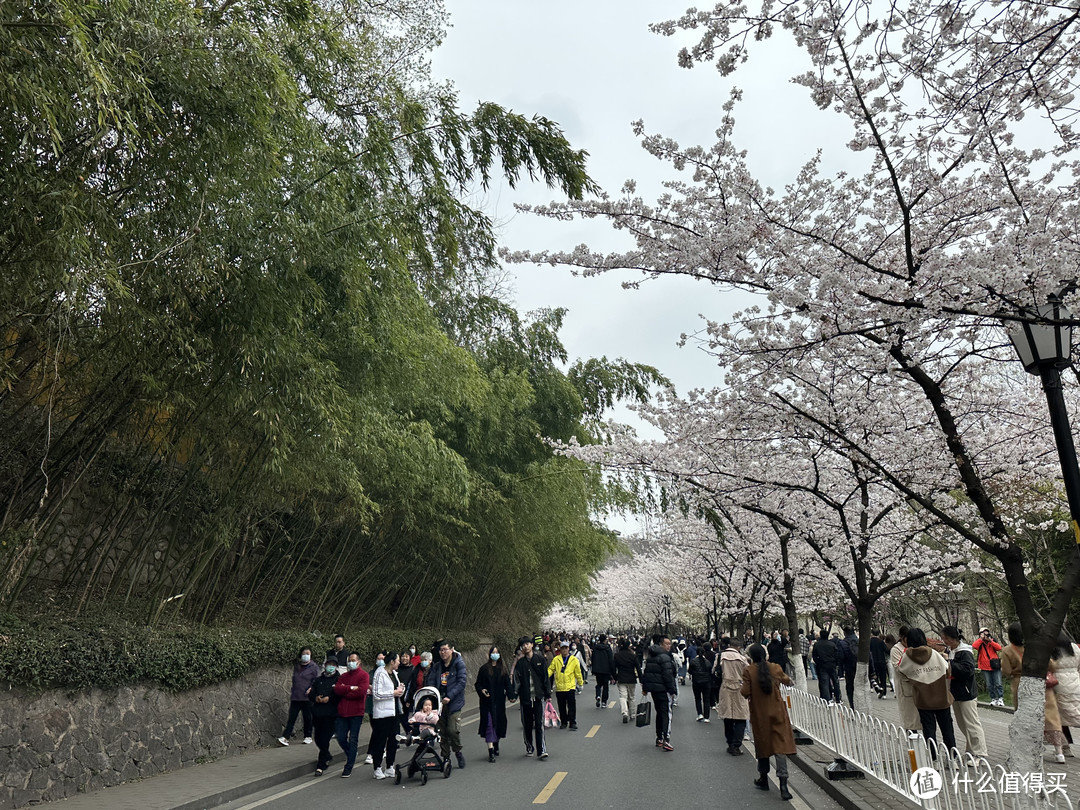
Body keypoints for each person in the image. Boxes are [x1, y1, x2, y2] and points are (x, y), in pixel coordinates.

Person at [742, 644, 796, 801]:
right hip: (778, 713)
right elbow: (788, 681)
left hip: (760, 715)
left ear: (751, 656)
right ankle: (784, 785)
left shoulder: (749, 670)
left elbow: (745, 692)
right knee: (780, 748)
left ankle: (763, 779)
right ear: (765, 654)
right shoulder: (775, 667)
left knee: (763, 746)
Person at [896, 628, 955, 758]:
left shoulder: (907, 657)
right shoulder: (933, 653)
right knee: (947, 730)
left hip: (923, 700)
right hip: (941, 698)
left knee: (929, 731)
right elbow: (947, 671)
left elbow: (901, 672)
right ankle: (953, 758)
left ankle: (934, 759)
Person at [939, 627, 987, 758]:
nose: (944, 641)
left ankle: (979, 754)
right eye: (943, 638)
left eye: (945, 638)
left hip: (966, 693)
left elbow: (967, 671)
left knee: (972, 724)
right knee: (963, 724)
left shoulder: (964, 651)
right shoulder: (950, 650)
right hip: (955, 693)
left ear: (952, 638)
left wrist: (949, 661)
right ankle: (971, 750)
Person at [426, 639, 468, 769]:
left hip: (454, 702)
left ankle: (458, 752)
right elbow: (431, 681)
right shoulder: (437, 666)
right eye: (441, 650)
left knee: (452, 730)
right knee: (442, 732)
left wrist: (450, 696)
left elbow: (462, 682)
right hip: (439, 703)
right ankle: (446, 756)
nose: (443, 652)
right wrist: (433, 696)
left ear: (452, 649)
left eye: (445, 649)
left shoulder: (458, 663)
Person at [368, 651, 405, 779]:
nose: (399, 662)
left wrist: (400, 689)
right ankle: (377, 768)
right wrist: (393, 692)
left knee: (394, 741)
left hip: (394, 712)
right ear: (392, 661)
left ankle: (390, 766)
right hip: (382, 714)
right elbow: (377, 694)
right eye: (398, 660)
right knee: (380, 741)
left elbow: (396, 689)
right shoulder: (380, 673)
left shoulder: (394, 673)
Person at [512, 636, 550, 759]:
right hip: (526, 699)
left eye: (528, 643)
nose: (526, 646)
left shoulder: (540, 659)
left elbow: (545, 677)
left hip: (538, 697)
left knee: (539, 724)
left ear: (532, 645)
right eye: (523, 644)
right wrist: (514, 695)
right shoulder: (521, 663)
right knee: (527, 724)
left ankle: (542, 749)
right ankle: (529, 746)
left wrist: (547, 694)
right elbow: (517, 681)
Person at [332, 652, 369, 777]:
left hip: (356, 712)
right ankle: (352, 753)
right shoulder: (344, 676)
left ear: (359, 662)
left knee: (353, 739)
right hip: (343, 712)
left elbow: (361, 692)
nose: (350, 663)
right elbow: (337, 689)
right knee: (340, 737)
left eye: (353, 660)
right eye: (349, 660)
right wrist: (350, 688)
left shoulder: (364, 675)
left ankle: (349, 765)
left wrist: (345, 690)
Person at [475, 645, 513, 762]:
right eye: (493, 652)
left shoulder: (502, 669)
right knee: (489, 725)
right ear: (489, 654)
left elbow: (508, 685)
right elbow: (478, 684)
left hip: (499, 702)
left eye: (497, 652)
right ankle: (491, 751)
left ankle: (496, 744)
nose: (495, 654)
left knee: (498, 724)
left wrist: (511, 696)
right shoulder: (484, 669)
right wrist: (482, 690)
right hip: (487, 703)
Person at [641, 633, 677, 751]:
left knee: (659, 713)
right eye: (666, 643)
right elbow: (668, 675)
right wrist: (672, 690)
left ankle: (659, 738)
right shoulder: (665, 657)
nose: (669, 646)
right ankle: (666, 738)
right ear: (661, 644)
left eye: (669, 643)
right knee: (665, 713)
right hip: (663, 689)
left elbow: (647, 672)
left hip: (654, 690)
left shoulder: (651, 656)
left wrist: (645, 688)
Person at [279, 647, 319, 746]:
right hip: (296, 696)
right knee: (292, 718)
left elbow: (316, 681)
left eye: (308, 653)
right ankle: (285, 737)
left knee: (307, 717)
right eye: (304, 653)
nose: (306, 655)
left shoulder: (313, 667)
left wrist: (311, 689)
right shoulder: (297, 666)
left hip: (307, 697)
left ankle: (308, 736)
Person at [718, 637, 750, 755]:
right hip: (739, 687)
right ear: (739, 647)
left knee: (728, 717)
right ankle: (737, 745)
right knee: (741, 717)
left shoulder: (720, 656)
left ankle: (730, 743)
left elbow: (714, 671)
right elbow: (748, 673)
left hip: (726, 687)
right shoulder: (742, 659)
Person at [309, 658, 340, 775]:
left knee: (325, 739)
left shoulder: (338, 679)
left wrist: (330, 698)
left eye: (333, 665)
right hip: (318, 713)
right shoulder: (319, 680)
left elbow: (339, 694)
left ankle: (320, 765)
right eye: (329, 664)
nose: (330, 667)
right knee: (317, 738)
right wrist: (316, 698)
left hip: (331, 714)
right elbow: (311, 693)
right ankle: (327, 755)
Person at [1053, 632, 1080, 757]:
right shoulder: (1074, 647)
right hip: (1076, 683)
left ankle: (1064, 747)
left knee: (1060, 719)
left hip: (1059, 685)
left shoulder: (1052, 650)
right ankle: (1064, 747)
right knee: (1074, 713)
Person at [548, 640, 583, 730]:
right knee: (561, 706)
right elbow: (551, 669)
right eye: (562, 648)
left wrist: (580, 683)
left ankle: (572, 722)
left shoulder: (574, 660)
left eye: (566, 648)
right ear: (560, 649)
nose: (564, 650)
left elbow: (578, 673)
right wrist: (545, 676)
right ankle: (564, 722)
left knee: (571, 706)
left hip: (570, 686)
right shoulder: (556, 659)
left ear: (568, 649)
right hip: (559, 687)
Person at [890, 627, 920, 732]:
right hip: (905, 688)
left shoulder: (915, 646)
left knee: (923, 719)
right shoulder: (896, 650)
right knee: (910, 719)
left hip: (919, 687)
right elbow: (899, 668)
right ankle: (912, 745)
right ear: (902, 637)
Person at [972, 627, 1004, 707]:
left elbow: (999, 648)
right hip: (985, 667)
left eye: (987, 634)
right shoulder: (980, 643)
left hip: (994, 666)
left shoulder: (992, 641)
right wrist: (981, 639)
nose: (986, 636)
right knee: (989, 684)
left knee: (998, 683)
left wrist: (990, 641)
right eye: (984, 634)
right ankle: (993, 699)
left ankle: (1000, 698)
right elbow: (974, 646)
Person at [614, 637, 641, 723]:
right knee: (632, 697)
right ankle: (632, 714)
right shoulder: (633, 655)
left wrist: (615, 677)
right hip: (631, 678)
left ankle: (624, 712)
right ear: (629, 645)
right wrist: (641, 679)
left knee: (623, 696)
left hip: (621, 678)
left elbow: (613, 667)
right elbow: (638, 668)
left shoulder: (617, 655)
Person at [999, 622, 1024, 710]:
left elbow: (1007, 671)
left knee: (1020, 709)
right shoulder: (1032, 646)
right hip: (1035, 680)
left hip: (1018, 681)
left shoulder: (1007, 650)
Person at [812, 629, 840, 703]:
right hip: (832, 665)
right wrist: (836, 663)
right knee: (835, 681)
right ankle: (838, 698)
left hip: (822, 665)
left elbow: (814, 656)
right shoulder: (832, 644)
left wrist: (818, 662)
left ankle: (827, 699)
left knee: (825, 682)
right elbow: (837, 655)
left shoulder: (817, 644)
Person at [688, 642, 714, 722]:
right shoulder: (707, 662)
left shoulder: (693, 661)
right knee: (706, 699)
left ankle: (699, 714)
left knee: (698, 698)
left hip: (696, 682)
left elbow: (690, 671)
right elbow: (710, 672)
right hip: (707, 682)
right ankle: (707, 717)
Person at [590, 634, 615, 709]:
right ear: (605, 640)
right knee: (605, 686)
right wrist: (612, 671)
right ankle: (604, 702)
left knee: (599, 684)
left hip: (597, 670)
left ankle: (598, 695)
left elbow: (593, 658)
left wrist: (593, 669)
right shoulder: (607, 648)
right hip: (606, 670)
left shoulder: (595, 648)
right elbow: (611, 660)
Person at [840, 627, 859, 708]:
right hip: (861, 667)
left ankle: (852, 706)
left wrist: (840, 672)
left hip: (849, 668)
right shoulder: (860, 641)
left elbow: (841, 657)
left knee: (850, 687)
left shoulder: (843, 643)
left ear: (845, 633)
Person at [868, 630, 889, 699]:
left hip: (873, 662)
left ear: (872, 634)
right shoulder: (881, 642)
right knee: (883, 677)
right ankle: (884, 693)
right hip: (882, 661)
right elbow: (886, 650)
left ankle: (878, 690)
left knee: (875, 677)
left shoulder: (869, 642)